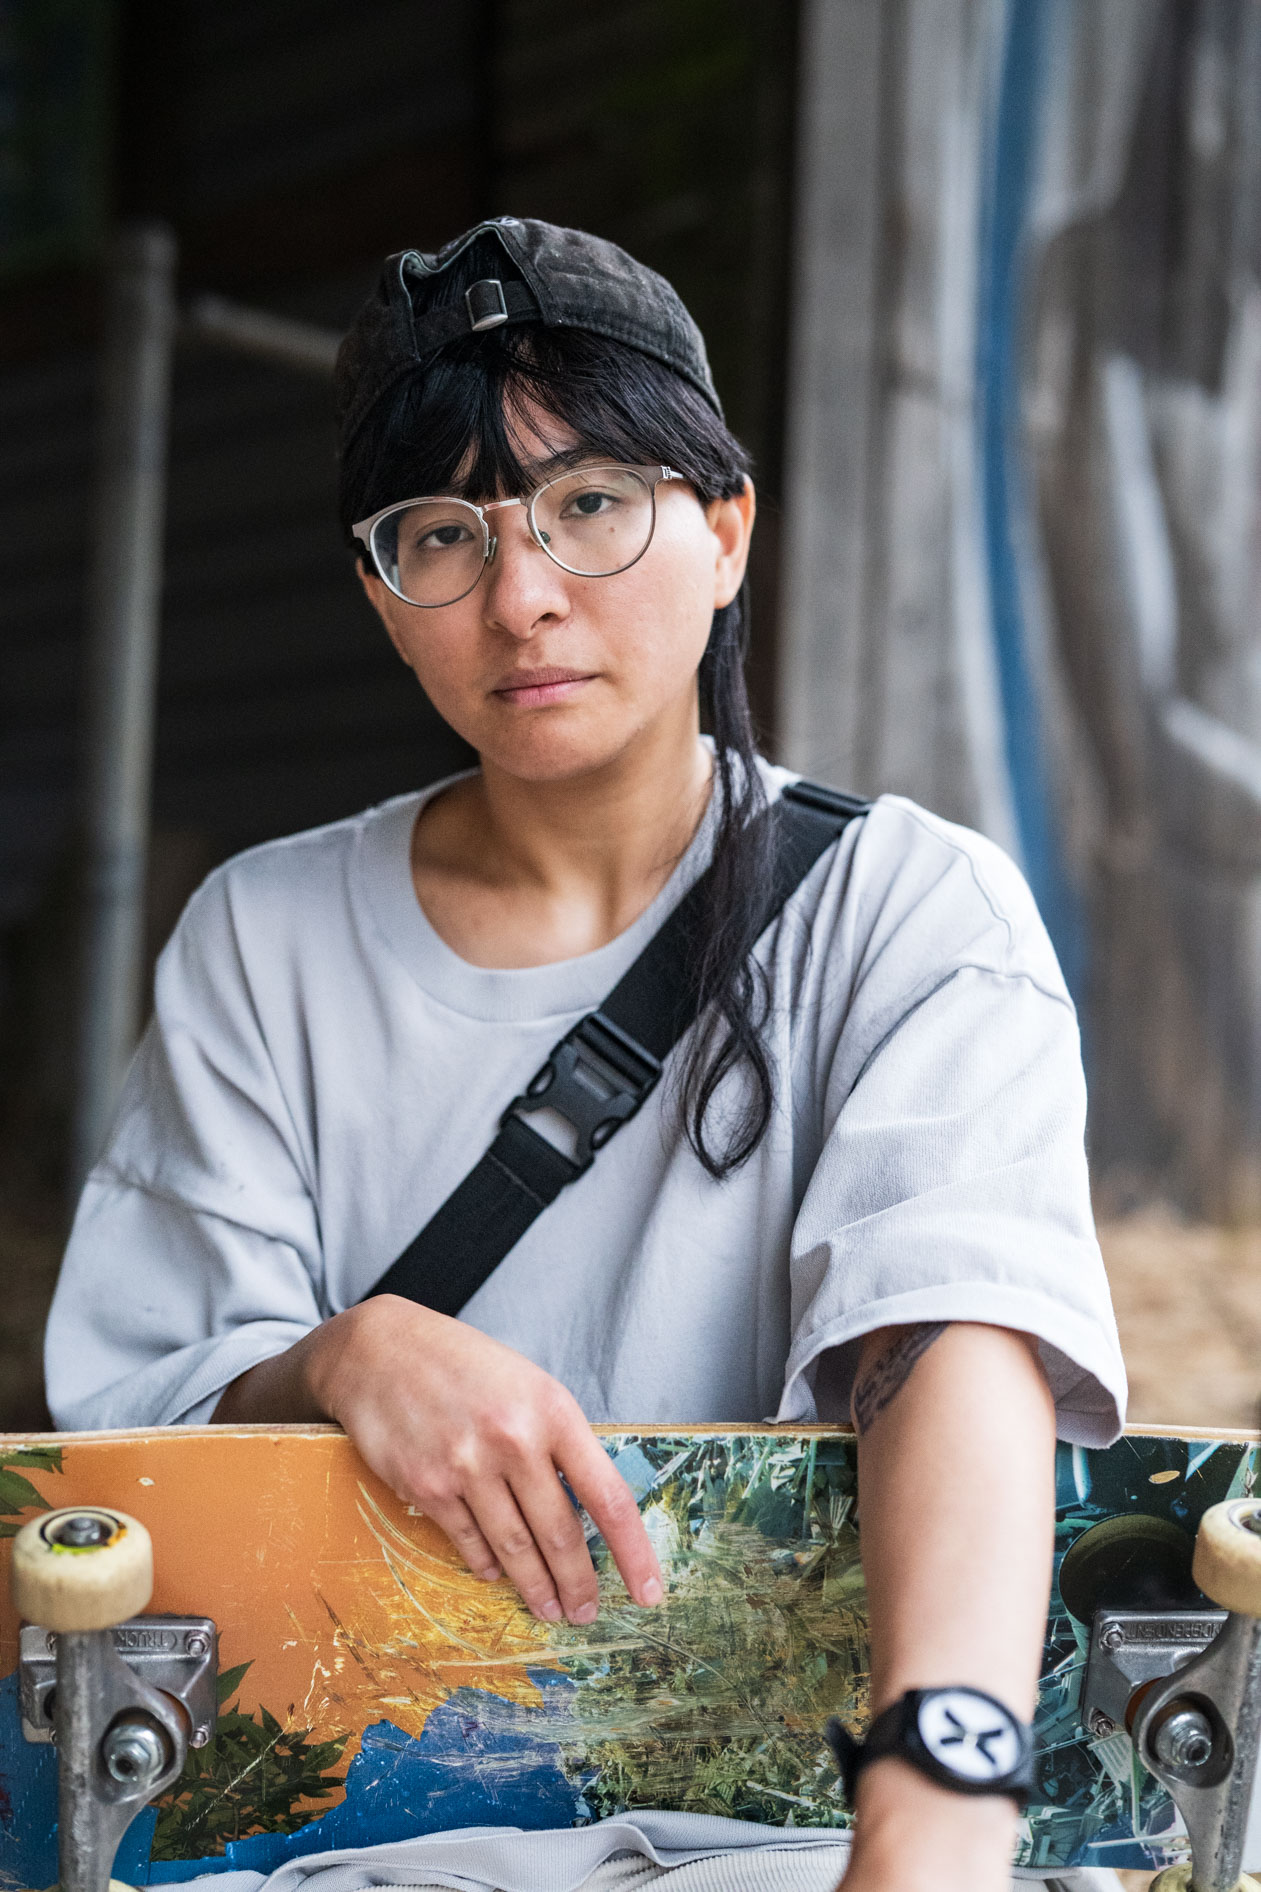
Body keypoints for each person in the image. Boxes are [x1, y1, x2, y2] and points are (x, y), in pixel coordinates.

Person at [47, 218, 1127, 1892]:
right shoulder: (262, 939)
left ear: (726, 532)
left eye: (592, 504)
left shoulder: (912, 912)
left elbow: (954, 1341)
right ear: (379, 598)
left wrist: (930, 1817)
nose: (523, 597)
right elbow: (146, 1440)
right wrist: (341, 1356)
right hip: (354, 1855)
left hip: (801, 1840)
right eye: (440, 535)